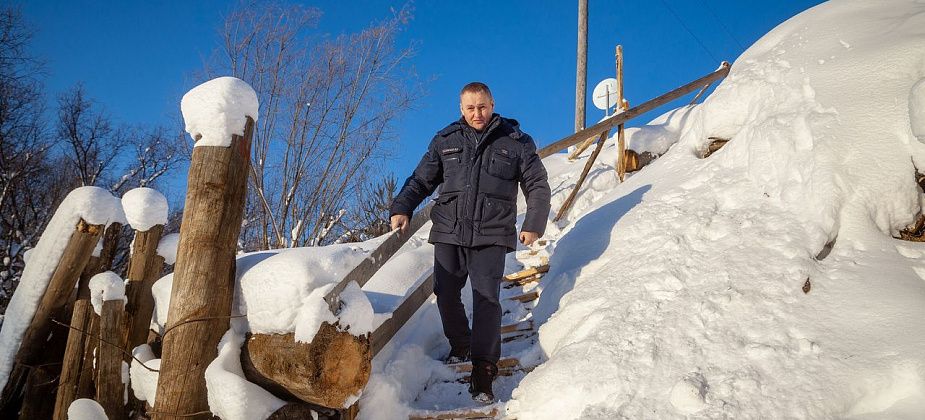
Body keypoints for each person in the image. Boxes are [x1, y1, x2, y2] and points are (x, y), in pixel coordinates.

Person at [389, 82, 551, 403]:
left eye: (482, 107)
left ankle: (483, 371)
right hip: (450, 230)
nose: (477, 114)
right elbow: (422, 179)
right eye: (470, 108)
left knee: (486, 298)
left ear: (492, 104)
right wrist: (402, 206)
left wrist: (533, 223)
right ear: (461, 109)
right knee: (445, 292)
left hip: (492, 233)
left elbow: (537, 184)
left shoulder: (516, 142)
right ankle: (460, 343)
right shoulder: (445, 140)